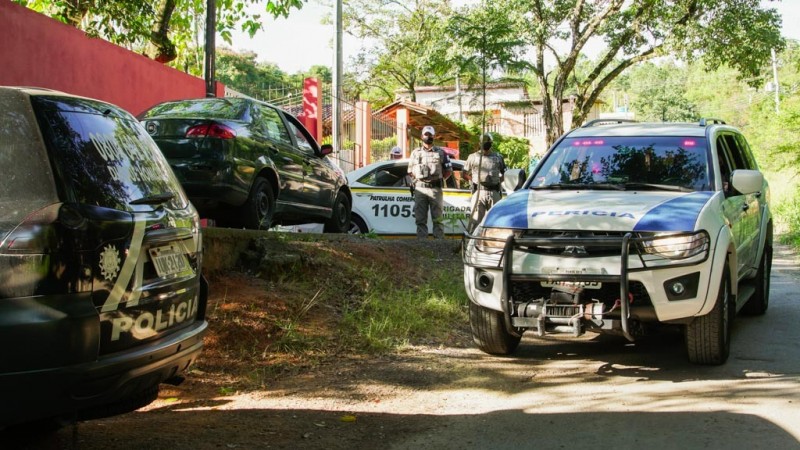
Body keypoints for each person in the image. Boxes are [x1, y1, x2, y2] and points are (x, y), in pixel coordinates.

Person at [407, 125, 452, 239]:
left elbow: (448, 171)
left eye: (430, 135)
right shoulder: (415, 153)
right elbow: (410, 171)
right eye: (426, 134)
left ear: (434, 136)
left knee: (438, 219)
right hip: (420, 189)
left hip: (435, 190)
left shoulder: (441, 153)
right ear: (422, 136)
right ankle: (422, 245)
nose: (428, 137)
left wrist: (439, 181)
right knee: (420, 219)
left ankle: (438, 244)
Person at [463, 132, 506, 232]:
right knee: (476, 221)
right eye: (484, 142)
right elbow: (464, 173)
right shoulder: (472, 157)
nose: (486, 144)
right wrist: (474, 181)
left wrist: (497, 182)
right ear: (479, 143)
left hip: (494, 192)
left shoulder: (498, 157)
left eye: (488, 142)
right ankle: (472, 244)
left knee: (496, 221)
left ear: (491, 143)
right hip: (479, 193)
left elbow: (505, 173)